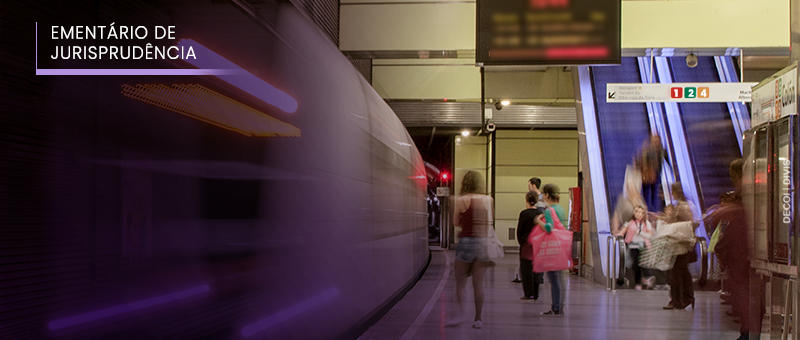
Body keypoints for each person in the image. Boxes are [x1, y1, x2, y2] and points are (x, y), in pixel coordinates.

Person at [712, 159, 760, 340]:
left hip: (739, 254)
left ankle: (747, 333)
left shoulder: (744, 195)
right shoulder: (748, 193)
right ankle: (747, 332)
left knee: (742, 294)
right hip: (745, 252)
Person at [447, 171, 492, 329]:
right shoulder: (489, 200)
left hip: (465, 242)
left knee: (460, 282)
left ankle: (460, 315)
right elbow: (489, 222)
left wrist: (464, 224)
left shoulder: (462, 200)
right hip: (482, 243)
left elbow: (455, 222)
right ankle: (478, 319)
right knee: (478, 284)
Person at [662, 182, 696, 310]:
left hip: (680, 245)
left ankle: (676, 300)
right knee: (684, 273)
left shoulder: (682, 207)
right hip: (684, 245)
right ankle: (687, 298)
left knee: (675, 273)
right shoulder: (686, 205)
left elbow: (689, 223)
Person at [540, 183, 568, 316]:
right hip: (562, 245)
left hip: (553, 246)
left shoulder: (549, 210)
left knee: (553, 278)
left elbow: (549, 228)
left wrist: (539, 221)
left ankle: (555, 307)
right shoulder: (561, 208)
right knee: (560, 278)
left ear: (546, 195)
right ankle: (559, 306)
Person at [514, 177, 547, 283]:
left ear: (533, 185)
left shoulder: (538, 200)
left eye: (529, 185)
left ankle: (531, 277)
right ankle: (535, 277)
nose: (528, 188)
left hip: (533, 233)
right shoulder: (543, 198)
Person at [615, 205, 654, 290]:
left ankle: (647, 278)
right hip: (633, 245)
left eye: (642, 212)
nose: (639, 214)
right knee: (635, 264)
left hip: (643, 245)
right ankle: (638, 282)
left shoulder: (646, 223)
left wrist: (640, 232)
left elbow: (650, 235)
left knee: (643, 263)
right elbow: (622, 231)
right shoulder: (630, 222)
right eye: (638, 212)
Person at [517, 191, 544, 301]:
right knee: (536, 270)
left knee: (526, 270)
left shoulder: (524, 213)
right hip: (538, 245)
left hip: (526, 245)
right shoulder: (540, 213)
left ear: (526, 200)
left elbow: (520, 230)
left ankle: (528, 293)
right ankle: (536, 293)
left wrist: (521, 242)